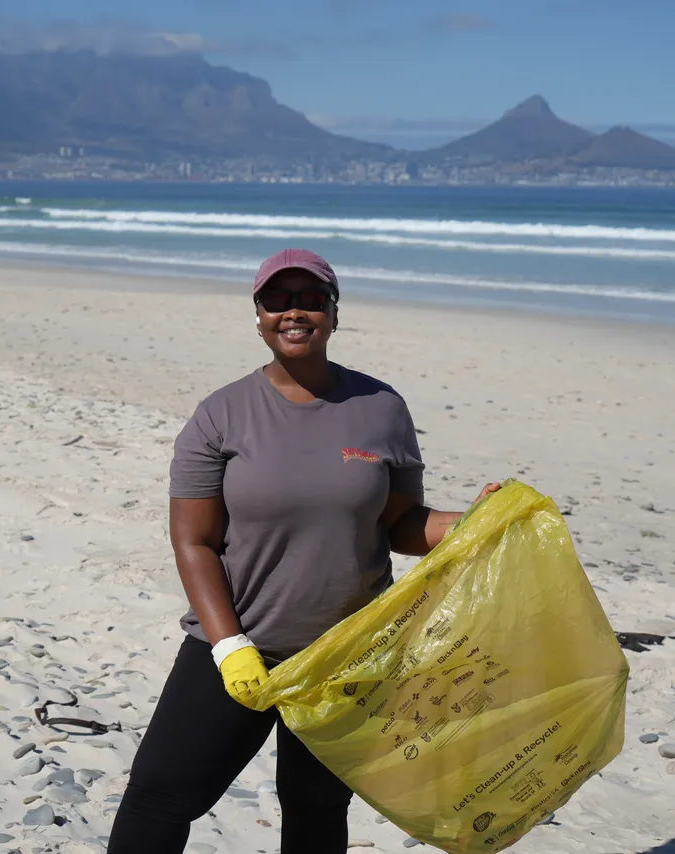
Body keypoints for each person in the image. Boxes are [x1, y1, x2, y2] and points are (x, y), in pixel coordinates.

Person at [106, 249, 500, 854]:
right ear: (259, 316)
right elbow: (194, 541)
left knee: (316, 807)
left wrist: (474, 521)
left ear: (335, 314)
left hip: (346, 657)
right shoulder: (221, 414)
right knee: (160, 795)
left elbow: (398, 526)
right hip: (239, 647)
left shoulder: (381, 408)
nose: (295, 311)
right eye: (277, 300)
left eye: (312, 299)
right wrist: (230, 645)